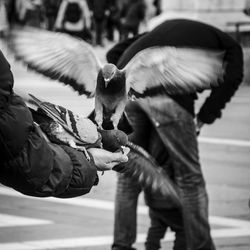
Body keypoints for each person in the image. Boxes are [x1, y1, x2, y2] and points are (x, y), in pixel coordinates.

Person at [106, 19, 244, 250]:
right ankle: (201, 246)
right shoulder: (232, 48)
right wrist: (204, 117)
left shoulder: (161, 32)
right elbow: (232, 78)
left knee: (128, 175)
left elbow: (114, 51)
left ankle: (121, 245)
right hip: (170, 99)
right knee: (190, 179)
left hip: (129, 95)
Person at [0, 49, 129, 198]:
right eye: (119, 143)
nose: (120, 147)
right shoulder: (92, 136)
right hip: (57, 128)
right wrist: (89, 159)